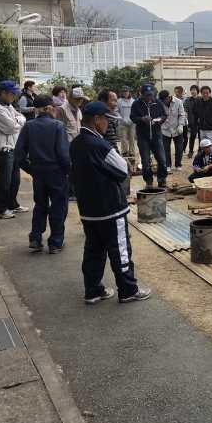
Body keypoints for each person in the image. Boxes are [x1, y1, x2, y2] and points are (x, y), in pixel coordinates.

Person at [70, 101, 150, 305]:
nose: (109, 125)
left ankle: (93, 290)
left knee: (93, 250)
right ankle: (128, 290)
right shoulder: (100, 145)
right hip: (110, 208)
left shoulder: (76, 143)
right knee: (120, 250)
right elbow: (123, 170)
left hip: (88, 209)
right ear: (97, 120)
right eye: (107, 120)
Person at [14, 95, 70, 253]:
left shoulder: (29, 126)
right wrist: (68, 172)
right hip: (56, 172)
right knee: (58, 206)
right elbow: (63, 154)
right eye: (53, 107)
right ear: (49, 108)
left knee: (40, 205)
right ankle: (55, 242)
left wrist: (31, 169)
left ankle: (36, 238)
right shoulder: (58, 126)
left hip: (38, 171)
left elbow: (19, 154)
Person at [0, 80, 28, 219]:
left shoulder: (7, 105)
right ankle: (1, 209)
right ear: (3, 93)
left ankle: (12, 204)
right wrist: (18, 122)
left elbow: (21, 117)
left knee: (15, 179)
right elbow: (11, 127)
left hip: (13, 147)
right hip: (3, 149)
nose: (14, 96)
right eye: (12, 93)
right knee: (4, 180)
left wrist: (18, 121)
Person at [130, 84, 168, 188]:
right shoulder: (136, 104)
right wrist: (142, 119)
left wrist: (160, 120)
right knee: (145, 162)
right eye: (146, 95)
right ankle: (149, 181)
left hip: (156, 135)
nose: (149, 98)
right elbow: (132, 117)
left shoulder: (158, 102)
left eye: (151, 95)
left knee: (162, 160)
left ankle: (161, 179)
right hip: (143, 137)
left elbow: (164, 115)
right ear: (141, 94)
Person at [159, 89, 186, 171]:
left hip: (177, 129)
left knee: (179, 148)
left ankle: (178, 164)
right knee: (165, 148)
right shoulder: (159, 103)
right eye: (162, 101)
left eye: (165, 100)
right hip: (165, 129)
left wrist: (181, 125)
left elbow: (182, 114)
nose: (164, 102)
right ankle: (168, 165)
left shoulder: (178, 102)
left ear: (169, 97)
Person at [116, 86, 137, 163]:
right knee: (123, 139)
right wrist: (121, 119)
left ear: (129, 92)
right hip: (122, 123)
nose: (125, 93)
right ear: (122, 93)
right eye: (124, 92)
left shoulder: (133, 101)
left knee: (132, 138)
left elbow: (135, 112)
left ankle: (132, 154)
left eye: (127, 91)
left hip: (132, 123)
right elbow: (116, 111)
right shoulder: (119, 101)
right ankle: (124, 153)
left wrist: (133, 119)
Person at [185, 85, 200, 156]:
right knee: (192, 136)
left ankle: (200, 151)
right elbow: (185, 110)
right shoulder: (188, 100)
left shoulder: (201, 99)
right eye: (192, 90)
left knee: (201, 137)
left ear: (197, 91)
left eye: (194, 90)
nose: (193, 91)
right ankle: (191, 151)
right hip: (192, 121)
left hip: (201, 122)